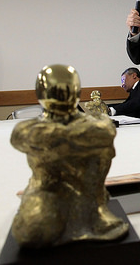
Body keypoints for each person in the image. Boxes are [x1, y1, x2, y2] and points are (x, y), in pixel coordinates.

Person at [10, 65, 127, 247]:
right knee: (32, 230)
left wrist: (62, 137)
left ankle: (95, 207)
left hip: (88, 193)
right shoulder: (30, 131)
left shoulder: (97, 129)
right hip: (47, 191)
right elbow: (21, 137)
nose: (61, 97)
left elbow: (104, 134)